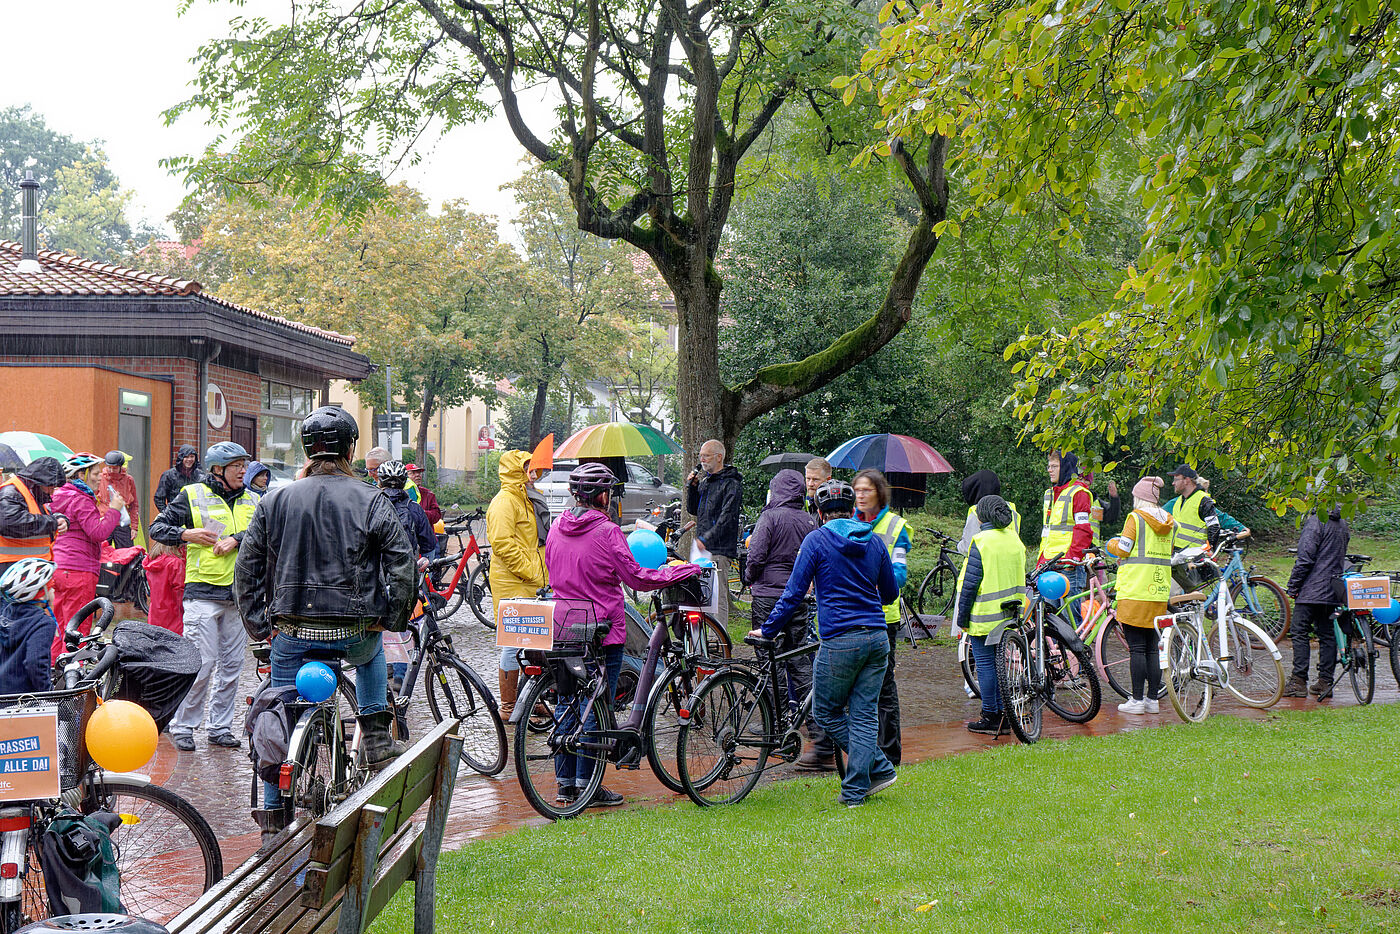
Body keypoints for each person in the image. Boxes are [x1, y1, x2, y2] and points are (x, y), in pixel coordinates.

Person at [234, 405, 417, 847]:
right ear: (350, 449)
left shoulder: (274, 499)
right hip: (354, 629)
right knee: (373, 654)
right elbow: (402, 564)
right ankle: (374, 733)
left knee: (279, 710)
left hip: (293, 630)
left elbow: (247, 567)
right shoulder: (372, 498)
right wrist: (390, 618)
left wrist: (261, 624)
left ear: (307, 449)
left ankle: (273, 809)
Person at [546, 462, 702, 808]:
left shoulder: (557, 527)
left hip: (563, 625)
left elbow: (552, 566)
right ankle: (588, 786)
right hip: (601, 628)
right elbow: (637, 579)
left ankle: (565, 785)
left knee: (567, 703)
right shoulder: (607, 531)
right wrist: (682, 571)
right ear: (603, 496)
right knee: (596, 704)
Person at [756, 479, 899, 808]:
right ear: (852, 511)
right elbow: (890, 593)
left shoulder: (816, 540)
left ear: (819, 513)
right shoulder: (875, 542)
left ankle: (876, 766)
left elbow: (792, 594)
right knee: (863, 715)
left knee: (825, 712)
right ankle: (857, 790)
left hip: (840, 640)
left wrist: (767, 630)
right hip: (877, 638)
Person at [150, 441, 259, 752]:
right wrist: (187, 534)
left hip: (238, 595)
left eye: (244, 464)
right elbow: (158, 527)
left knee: (233, 665)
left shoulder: (253, 499)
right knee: (203, 663)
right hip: (203, 593)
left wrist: (236, 539)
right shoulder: (193, 494)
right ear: (218, 469)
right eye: (237, 465)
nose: (243, 470)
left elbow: (265, 533)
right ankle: (184, 725)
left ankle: (220, 727)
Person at [743, 469, 827, 768]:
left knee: (770, 662)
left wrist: (748, 578)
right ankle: (816, 729)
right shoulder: (809, 520)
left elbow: (756, 555)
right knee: (800, 661)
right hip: (799, 598)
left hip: (768, 597)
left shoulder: (770, 517)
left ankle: (774, 726)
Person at [952, 494, 1026, 734]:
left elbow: (970, 585)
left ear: (981, 516)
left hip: (983, 616)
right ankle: (1007, 715)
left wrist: (962, 618)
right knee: (1001, 665)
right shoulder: (1015, 540)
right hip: (1009, 615)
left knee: (984, 666)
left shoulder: (981, 541)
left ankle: (990, 715)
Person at [1104, 476, 1176, 714]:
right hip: (1158, 591)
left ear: (1139, 498)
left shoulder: (1135, 518)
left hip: (1135, 591)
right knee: (1152, 648)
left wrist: (1111, 545)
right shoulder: (1170, 522)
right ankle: (1152, 701)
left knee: (1136, 649)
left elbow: (1124, 548)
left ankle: (1135, 700)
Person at [487, 450, 551, 720]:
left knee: (535, 642)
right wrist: (532, 573)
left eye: (534, 469)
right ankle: (509, 706)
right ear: (515, 471)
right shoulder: (505, 502)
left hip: (531, 581)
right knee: (514, 644)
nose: (533, 475)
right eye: (528, 470)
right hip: (515, 582)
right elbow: (503, 544)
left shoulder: (527, 499)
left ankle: (531, 698)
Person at [852, 469, 908, 767]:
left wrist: (873, 585)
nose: (861, 496)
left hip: (883, 616)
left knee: (884, 686)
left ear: (879, 493)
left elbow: (899, 573)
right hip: (852, 615)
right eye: (857, 490)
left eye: (866, 490)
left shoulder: (895, 526)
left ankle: (890, 752)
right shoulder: (847, 522)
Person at [48, 453, 123, 661]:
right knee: (78, 627)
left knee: (59, 626)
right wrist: (114, 511)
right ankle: (73, 674)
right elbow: (98, 533)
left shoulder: (59, 495)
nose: (101, 477)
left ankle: (54, 672)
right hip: (80, 569)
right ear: (82, 474)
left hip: (59, 567)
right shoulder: (81, 499)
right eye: (96, 473)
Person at [376, 459, 436, 691]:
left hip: (376, 577)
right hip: (406, 576)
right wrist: (424, 563)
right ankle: (400, 675)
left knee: (376, 628)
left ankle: (380, 674)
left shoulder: (371, 506)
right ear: (404, 483)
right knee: (405, 625)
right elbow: (429, 545)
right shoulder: (414, 508)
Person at [1284, 505, 1350, 699]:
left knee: (1299, 631)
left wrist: (1293, 586)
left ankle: (1298, 681)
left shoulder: (1316, 521)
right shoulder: (1342, 522)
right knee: (1327, 633)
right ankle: (1325, 682)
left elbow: (1305, 558)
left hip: (1312, 589)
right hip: (1333, 588)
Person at [685, 440, 742, 626]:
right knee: (698, 595)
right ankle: (700, 642)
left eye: (706, 456)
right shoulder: (705, 482)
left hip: (719, 548)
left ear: (719, 457)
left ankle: (720, 642)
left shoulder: (731, 484)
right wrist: (692, 488)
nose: (702, 460)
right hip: (702, 546)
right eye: (700, 456)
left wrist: (706, 538)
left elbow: (727, 517)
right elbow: (693, 509)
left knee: (718, 596)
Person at [1040, 451, 1094, 621]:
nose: (1050, 470)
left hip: (1069, 565)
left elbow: (1083, 531)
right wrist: (1041, 561)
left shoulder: (1079, 493)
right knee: (1050, 619)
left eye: (1054, 466)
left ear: (1065, 468)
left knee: (1069, 619)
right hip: (1050, 563)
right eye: (1049, 466)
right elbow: (1047, 532)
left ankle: (1072, 649)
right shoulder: (1049, 494)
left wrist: (1073, 559)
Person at [0, 558, 59, 695]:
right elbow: (35, 663)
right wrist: (47, 693)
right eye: (51, 588)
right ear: (40, 594)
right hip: (21, 700)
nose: (54, 592)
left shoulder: (5, 615)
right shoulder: (42, 623)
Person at [0, 456, 67, 567]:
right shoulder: (11, 492)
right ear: (40, 481)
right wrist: (53, 522)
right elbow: (9, 523)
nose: (52, 492)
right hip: (11, 566)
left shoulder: (33, 492)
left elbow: (42, 515)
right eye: (51, 486)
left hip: (27, 567)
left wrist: (61, 519)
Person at [958, 469, 1021, 554]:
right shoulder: (1010, 510)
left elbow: (967, 548)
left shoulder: (977, 512)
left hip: (982, 566)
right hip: (1010, 564)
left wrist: (959, 545)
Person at [1163, 465, 1221, 552]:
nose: (1173, 483)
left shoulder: (1204, 501)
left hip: (1195, 556)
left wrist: (1208, 550)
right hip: (1177, 554)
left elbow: (1214, 528)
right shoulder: (1179, 500)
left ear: (1187, 480)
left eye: (1176, 479)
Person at [95, 451, 140, 549]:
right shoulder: (100, 478)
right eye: (109, 467)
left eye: (114, 468)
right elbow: (92, 501)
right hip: (104, 521)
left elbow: (134, 505)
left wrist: (134, 527)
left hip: (122, 523)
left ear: (120, 467)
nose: (111, 470)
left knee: (127, 555)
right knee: (100, 554)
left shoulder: (129, 480)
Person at [154, 445, 202, 512]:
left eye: (192, 456)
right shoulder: (169, 475)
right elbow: (159, 498)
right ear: (181, 458)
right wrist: (167, 514)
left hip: (195, 517)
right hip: (176, 517)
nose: (189, 459)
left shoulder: (200, 475)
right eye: (186, 457)